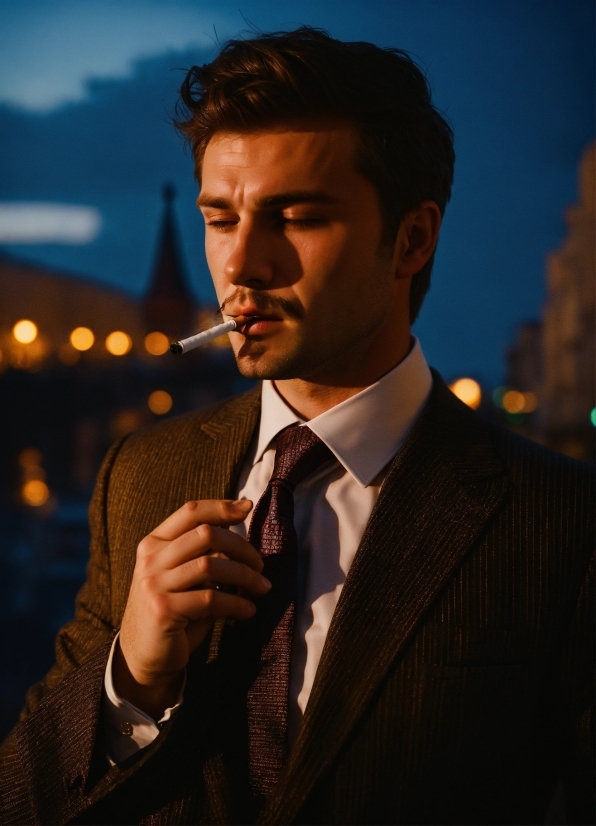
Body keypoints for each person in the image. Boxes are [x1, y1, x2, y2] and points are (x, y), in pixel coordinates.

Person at [0, 27, 593, 826]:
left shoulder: (560, 520)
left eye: (297, 218)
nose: (242, 266)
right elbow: (23, 798)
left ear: (411, 240)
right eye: (221, 219)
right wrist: (130, 682)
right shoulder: (141, 472)